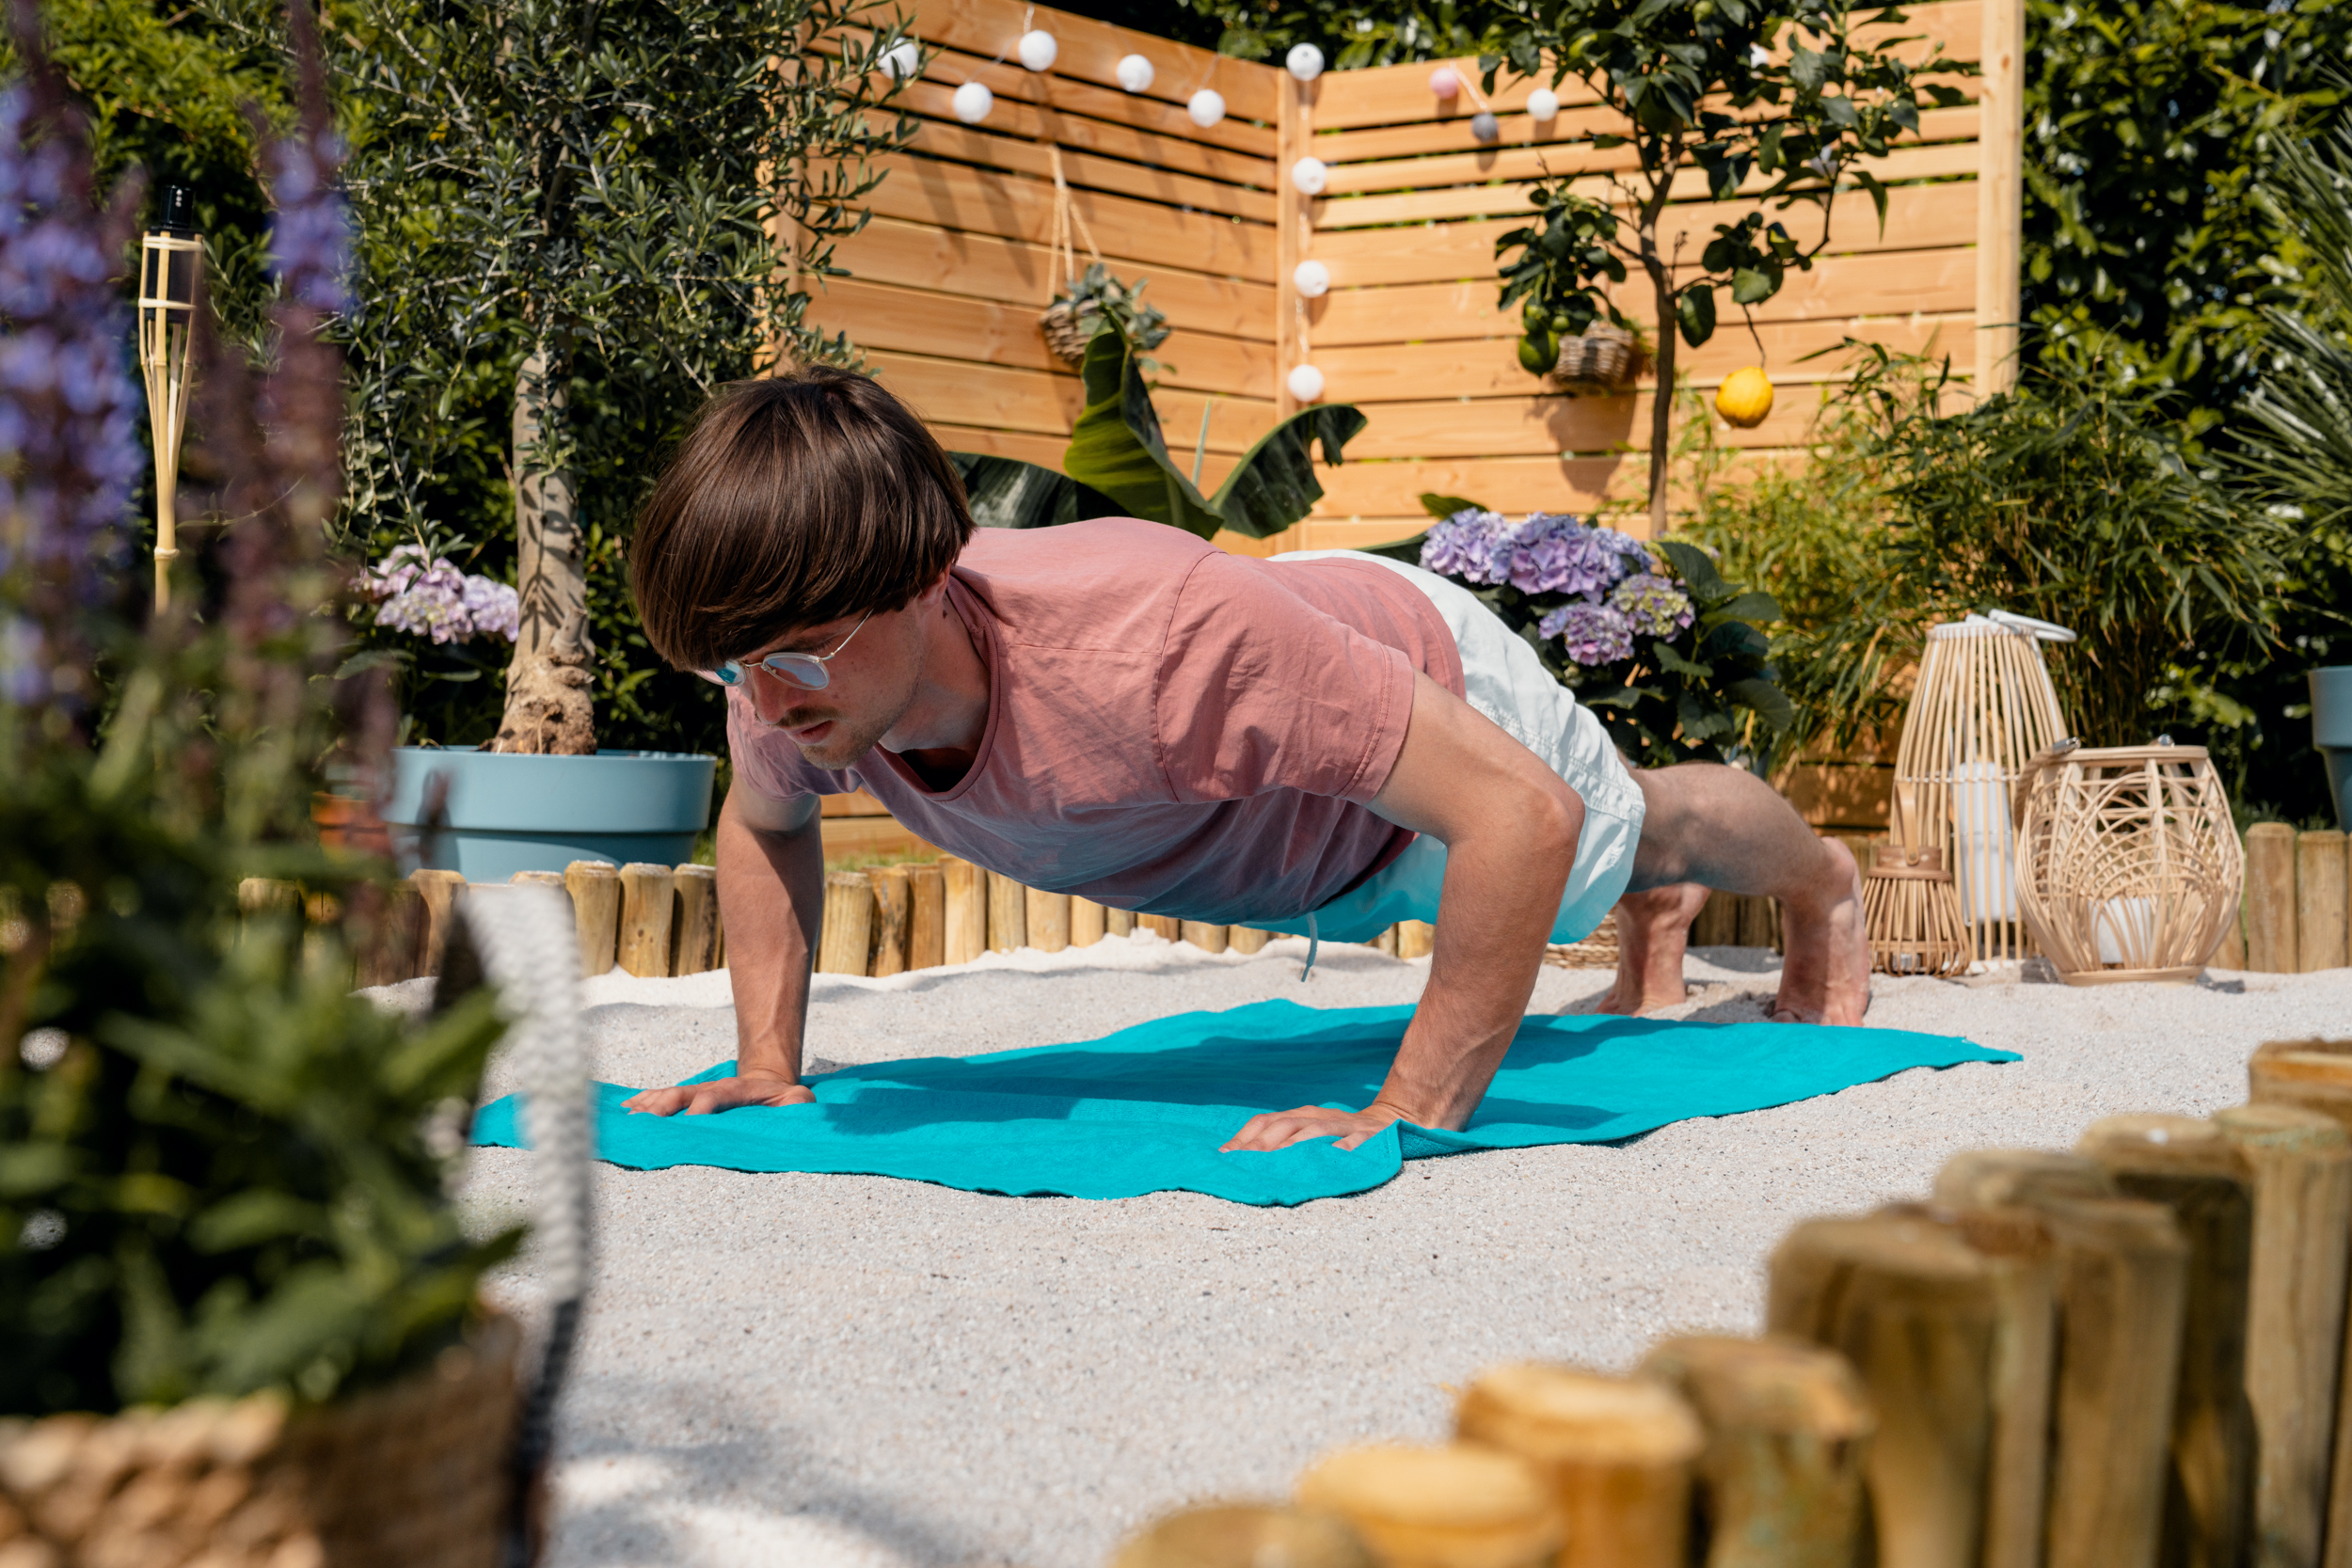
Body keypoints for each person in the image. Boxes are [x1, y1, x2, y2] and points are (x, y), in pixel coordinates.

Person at [619, 368, 1867, 1152]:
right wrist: (769, 1063)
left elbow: (1519, 814)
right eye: (733, 668)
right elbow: (762, 825)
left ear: (927, 583)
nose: (763, 701)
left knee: (1626, 830)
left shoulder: (1161, 641)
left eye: (795, 656)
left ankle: (1822, 887)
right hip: (1284, 811)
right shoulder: (788, 675)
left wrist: (1414, 1107)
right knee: (1594, 864)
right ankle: (1658, 925)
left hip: (1408, 684)